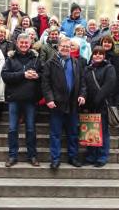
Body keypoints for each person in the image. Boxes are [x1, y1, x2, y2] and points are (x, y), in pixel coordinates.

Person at [42, 37, 86, 170]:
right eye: (63, 46)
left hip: (73, 103)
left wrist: (82, 95)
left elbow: (83, 81)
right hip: (57, 104)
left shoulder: (76, 62)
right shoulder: (51, 63)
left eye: (68, 46)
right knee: (55, 133)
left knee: (73, 133)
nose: (66, 48)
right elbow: (45, 83)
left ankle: (73, 157)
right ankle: (55, 159)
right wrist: (49, 99)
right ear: (58, 47)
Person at [2, 33, 41, 168]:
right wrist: (23, 75)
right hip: (14, 98)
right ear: (17, 44)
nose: (24, 45)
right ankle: (12, 155)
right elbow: (5, 76)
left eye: (26, 43)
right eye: (21, 43)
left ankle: (32, 155)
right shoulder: (11, 58)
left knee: (31, 129)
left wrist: (37, 76)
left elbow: (43, 75)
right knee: (13, 129)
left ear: (30, 43)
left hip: (30, 99)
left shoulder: (36, 58)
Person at [83, 46, 117, 167]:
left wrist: (97, 99)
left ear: (104, 56)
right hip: (89, 105)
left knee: (103, 131)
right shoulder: (88, 69)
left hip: (102, 105)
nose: (97, 56)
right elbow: (84, 85)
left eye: (100, 54)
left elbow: (109, 85)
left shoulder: (109, 68)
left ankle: (102, 156)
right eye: (95, 54)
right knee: (91, 131)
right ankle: (91, 155)